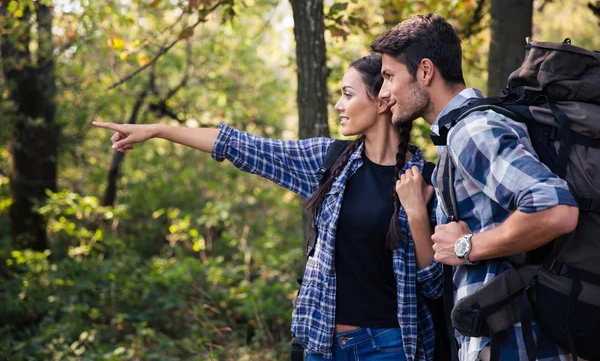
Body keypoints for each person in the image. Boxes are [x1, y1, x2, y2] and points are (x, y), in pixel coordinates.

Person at [93, 55, 443, 361]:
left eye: (347, 94)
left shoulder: (426, 179)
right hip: (321, 343)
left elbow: (434, 285)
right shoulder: (329, 162)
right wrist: (156, 130)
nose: (338, 104)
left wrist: (415, 215)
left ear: (382, 101)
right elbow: (240, 146)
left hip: (390, 347)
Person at [371, 13, 580, 361]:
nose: (383, 92)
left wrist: (467, 245)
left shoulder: (473, 130)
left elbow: (556, 209)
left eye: (390, 77)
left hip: (513, 343)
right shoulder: (458, 135)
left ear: (425, 71)